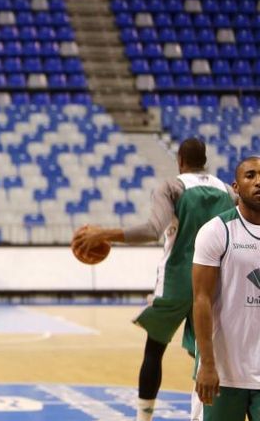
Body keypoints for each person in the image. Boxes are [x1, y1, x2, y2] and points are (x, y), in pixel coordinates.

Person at [73, 138, 237, 421]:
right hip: (216, 282)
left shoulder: (172, 187)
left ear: (180, 161)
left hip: (178, 281)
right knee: (208, 356)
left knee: (154, 350)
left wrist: (103, 234)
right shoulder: (227, 191)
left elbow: (152, 230)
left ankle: (143, 418)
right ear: (205, 160)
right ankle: (205, 415)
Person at [192, 156, 260, 421]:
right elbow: (201, 300)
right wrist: (207, 364)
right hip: (224, 373)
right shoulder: (217, 231)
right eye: (250, 175)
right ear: (235, 186)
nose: (258, 182)